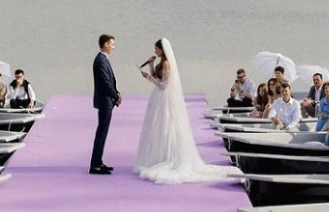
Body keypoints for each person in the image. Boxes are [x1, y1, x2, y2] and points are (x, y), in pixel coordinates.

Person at [134, 38, 227, 184]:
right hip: (158, 96)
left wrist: (149, 78)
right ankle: (160, 156)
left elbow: (163, 85)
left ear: (162, 50)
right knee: (159, 126)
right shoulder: (161, 63)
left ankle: (167, 157)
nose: (155, 51)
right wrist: (151, 66)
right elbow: (158, 77)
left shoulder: (166, 63)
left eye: (156, 49)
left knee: (166, 125)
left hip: (164, 97)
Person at [90, 32, 120, 175]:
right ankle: (95, 165)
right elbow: (105, 83)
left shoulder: (103, 59)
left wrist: (116, 94)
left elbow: (109, 81)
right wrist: (115, 96)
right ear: (106, 44)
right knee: (101, 132)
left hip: (107, 100)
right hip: (105, 101)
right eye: (112, 44)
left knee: (102, 132)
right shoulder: (101, 60)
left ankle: (98, 162)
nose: (113, 47)